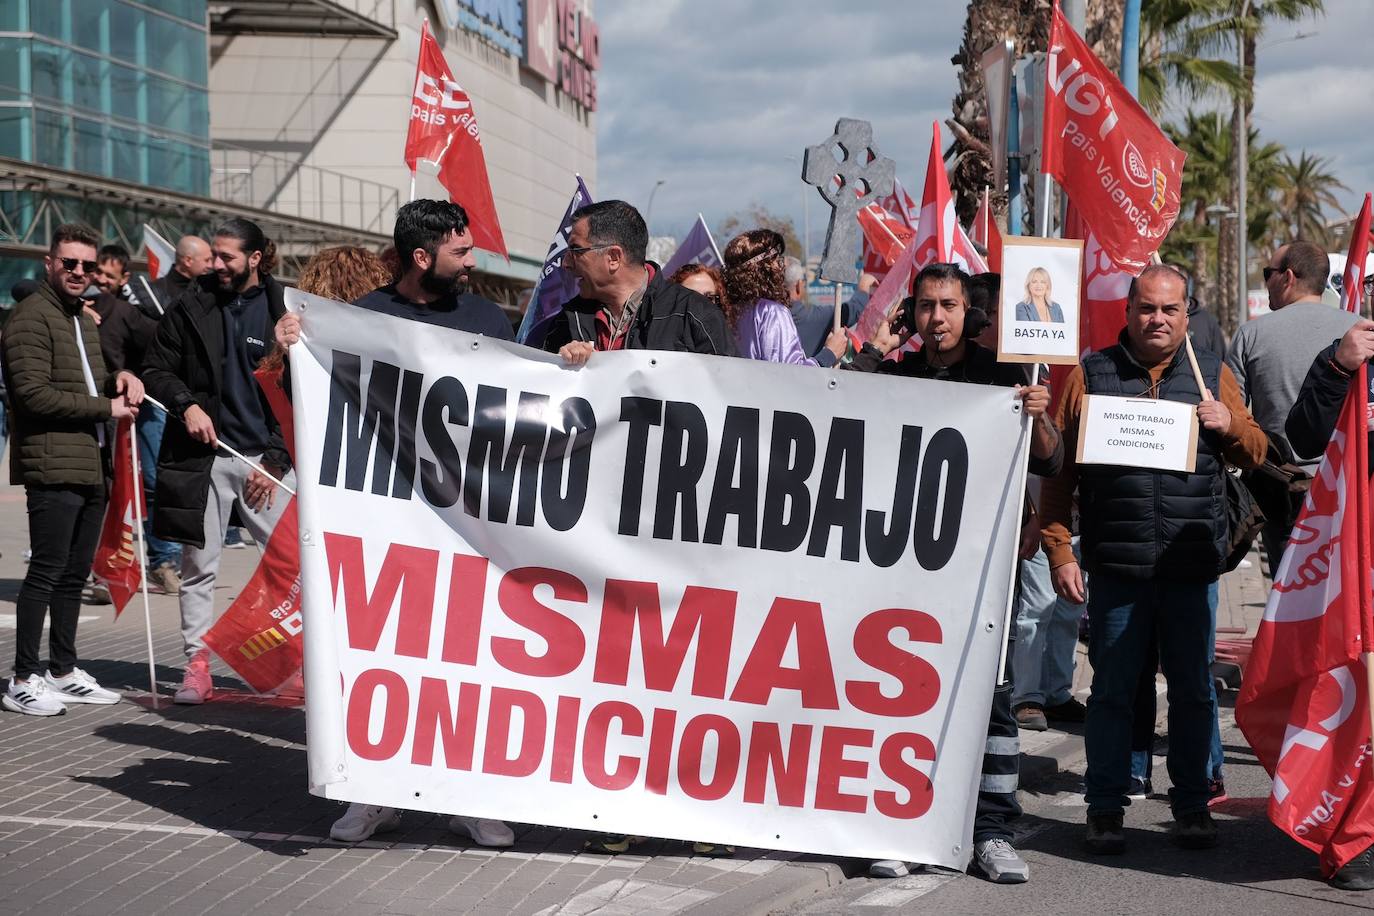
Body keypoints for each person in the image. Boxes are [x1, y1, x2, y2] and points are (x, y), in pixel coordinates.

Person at [275, 201, 517, 851]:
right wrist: (296, 351)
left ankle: (467, 796)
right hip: (383, 520)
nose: (472, 263)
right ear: (421, 258)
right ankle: (374, 797)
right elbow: (324, 406)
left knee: (464, 662)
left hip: (465, 524)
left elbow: (519, 404)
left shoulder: (487, 318)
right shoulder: (363, 320)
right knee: (381, 656)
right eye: (461, 253)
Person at [846, 263, 1063, 884]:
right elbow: (834, 403)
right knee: (900, 698)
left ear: (969, 312)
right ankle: (900, 826)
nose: (935, 317)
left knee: (989, 700)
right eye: (924, 306)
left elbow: (1048, 459)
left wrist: (1038, 413)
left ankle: (991, 831)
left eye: (946, 305)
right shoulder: (897, 372)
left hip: (981, 569)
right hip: (905, 569)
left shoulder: (1004, 377)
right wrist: (876, 348)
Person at [1039, 265, 1266, 855]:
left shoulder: (1211, 374)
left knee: (1193, 692)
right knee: (1112, 692)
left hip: (1190, 570)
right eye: (1146, 308)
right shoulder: (1090, 375)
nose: (1157, 319)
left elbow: (1259, 448)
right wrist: (1060, 548)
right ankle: (1105, 807)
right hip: (1116, 568)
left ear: (1186, 314)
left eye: (1169, 310)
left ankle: (1192, 805)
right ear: (1128, 311)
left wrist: (1230, 424)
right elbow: (1060, 473)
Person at [143, 218, 295, 706]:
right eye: (213, 254)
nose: (217, 264)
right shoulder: (191, 303)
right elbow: (155, 368)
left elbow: (302, 393)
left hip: (266, 465)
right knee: (198, 566)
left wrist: (274, 459)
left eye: (227, 256)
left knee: (295, 567)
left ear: (254, 258)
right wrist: (186, 403)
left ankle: (295, 663)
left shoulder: (285, 310)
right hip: (203, 459)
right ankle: (197, 665)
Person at [1, 223, 144, 715]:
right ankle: (22, 677)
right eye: (70, 263)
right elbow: (33, 395)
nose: (80, 272)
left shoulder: (81, 319)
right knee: (44, 573)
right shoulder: (28, 317)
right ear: (50, 263)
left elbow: (92, 379)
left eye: (86, 265)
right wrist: (107, 410)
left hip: (90, 462)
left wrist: (120, 377)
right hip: (52, 462)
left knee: (73, 574)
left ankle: (62, 669)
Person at [1284, 316, 1374, 891]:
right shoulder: (1352, 354)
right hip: (1359, 561)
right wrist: (1338, 365)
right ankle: (1358, 834)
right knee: (1360, 701)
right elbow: (1305, 436)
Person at [1227, 240, 1357, 571]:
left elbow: (1232, 418)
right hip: (1350, 490)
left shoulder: (1251, 335)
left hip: (1280, 491)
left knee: (1289, 598)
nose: (1266, 280)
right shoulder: (1360, 331)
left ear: (1287, 277)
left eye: (1267, 273)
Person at [545, 199, 732, 361]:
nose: (566, 264)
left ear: (614, 258)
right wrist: (562, 365)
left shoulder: (695, 314)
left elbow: (728, 388)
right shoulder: (567, 320)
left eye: (576, 250)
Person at [722, 230, 846, 366]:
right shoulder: (771, 312)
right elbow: (789, 375)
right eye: (777, 259)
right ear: (764, 268)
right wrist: (830, 353)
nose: (781, 267)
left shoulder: (728, 311)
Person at [790, 265, 876, 359]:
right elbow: (854, 310)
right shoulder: (809, 316)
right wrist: (864, 286)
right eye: (804, 282)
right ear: (798, 285)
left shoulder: (773, 315)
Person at [145, 235, 213, 317]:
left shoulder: (205, 290)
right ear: (188, 260)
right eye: (206, 260)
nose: (210, 265)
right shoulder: (154, 292)